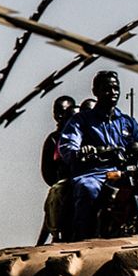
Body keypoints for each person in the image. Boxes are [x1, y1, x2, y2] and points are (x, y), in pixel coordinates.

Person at [55, 71, 138, 242]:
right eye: (107, 88)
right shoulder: (81, 120)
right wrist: (84, 151)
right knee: (88, 189)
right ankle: (83, 239)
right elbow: (68, 146)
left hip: (124, 172)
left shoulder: (127, 121)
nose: (113, 92)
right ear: (95, 91)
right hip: (95, 173)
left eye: (116, 88)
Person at [35, 95, 79, 245]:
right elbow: (48, 173)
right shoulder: (54, 139)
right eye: (58, 112)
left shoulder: (87, 135)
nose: (60, 116)